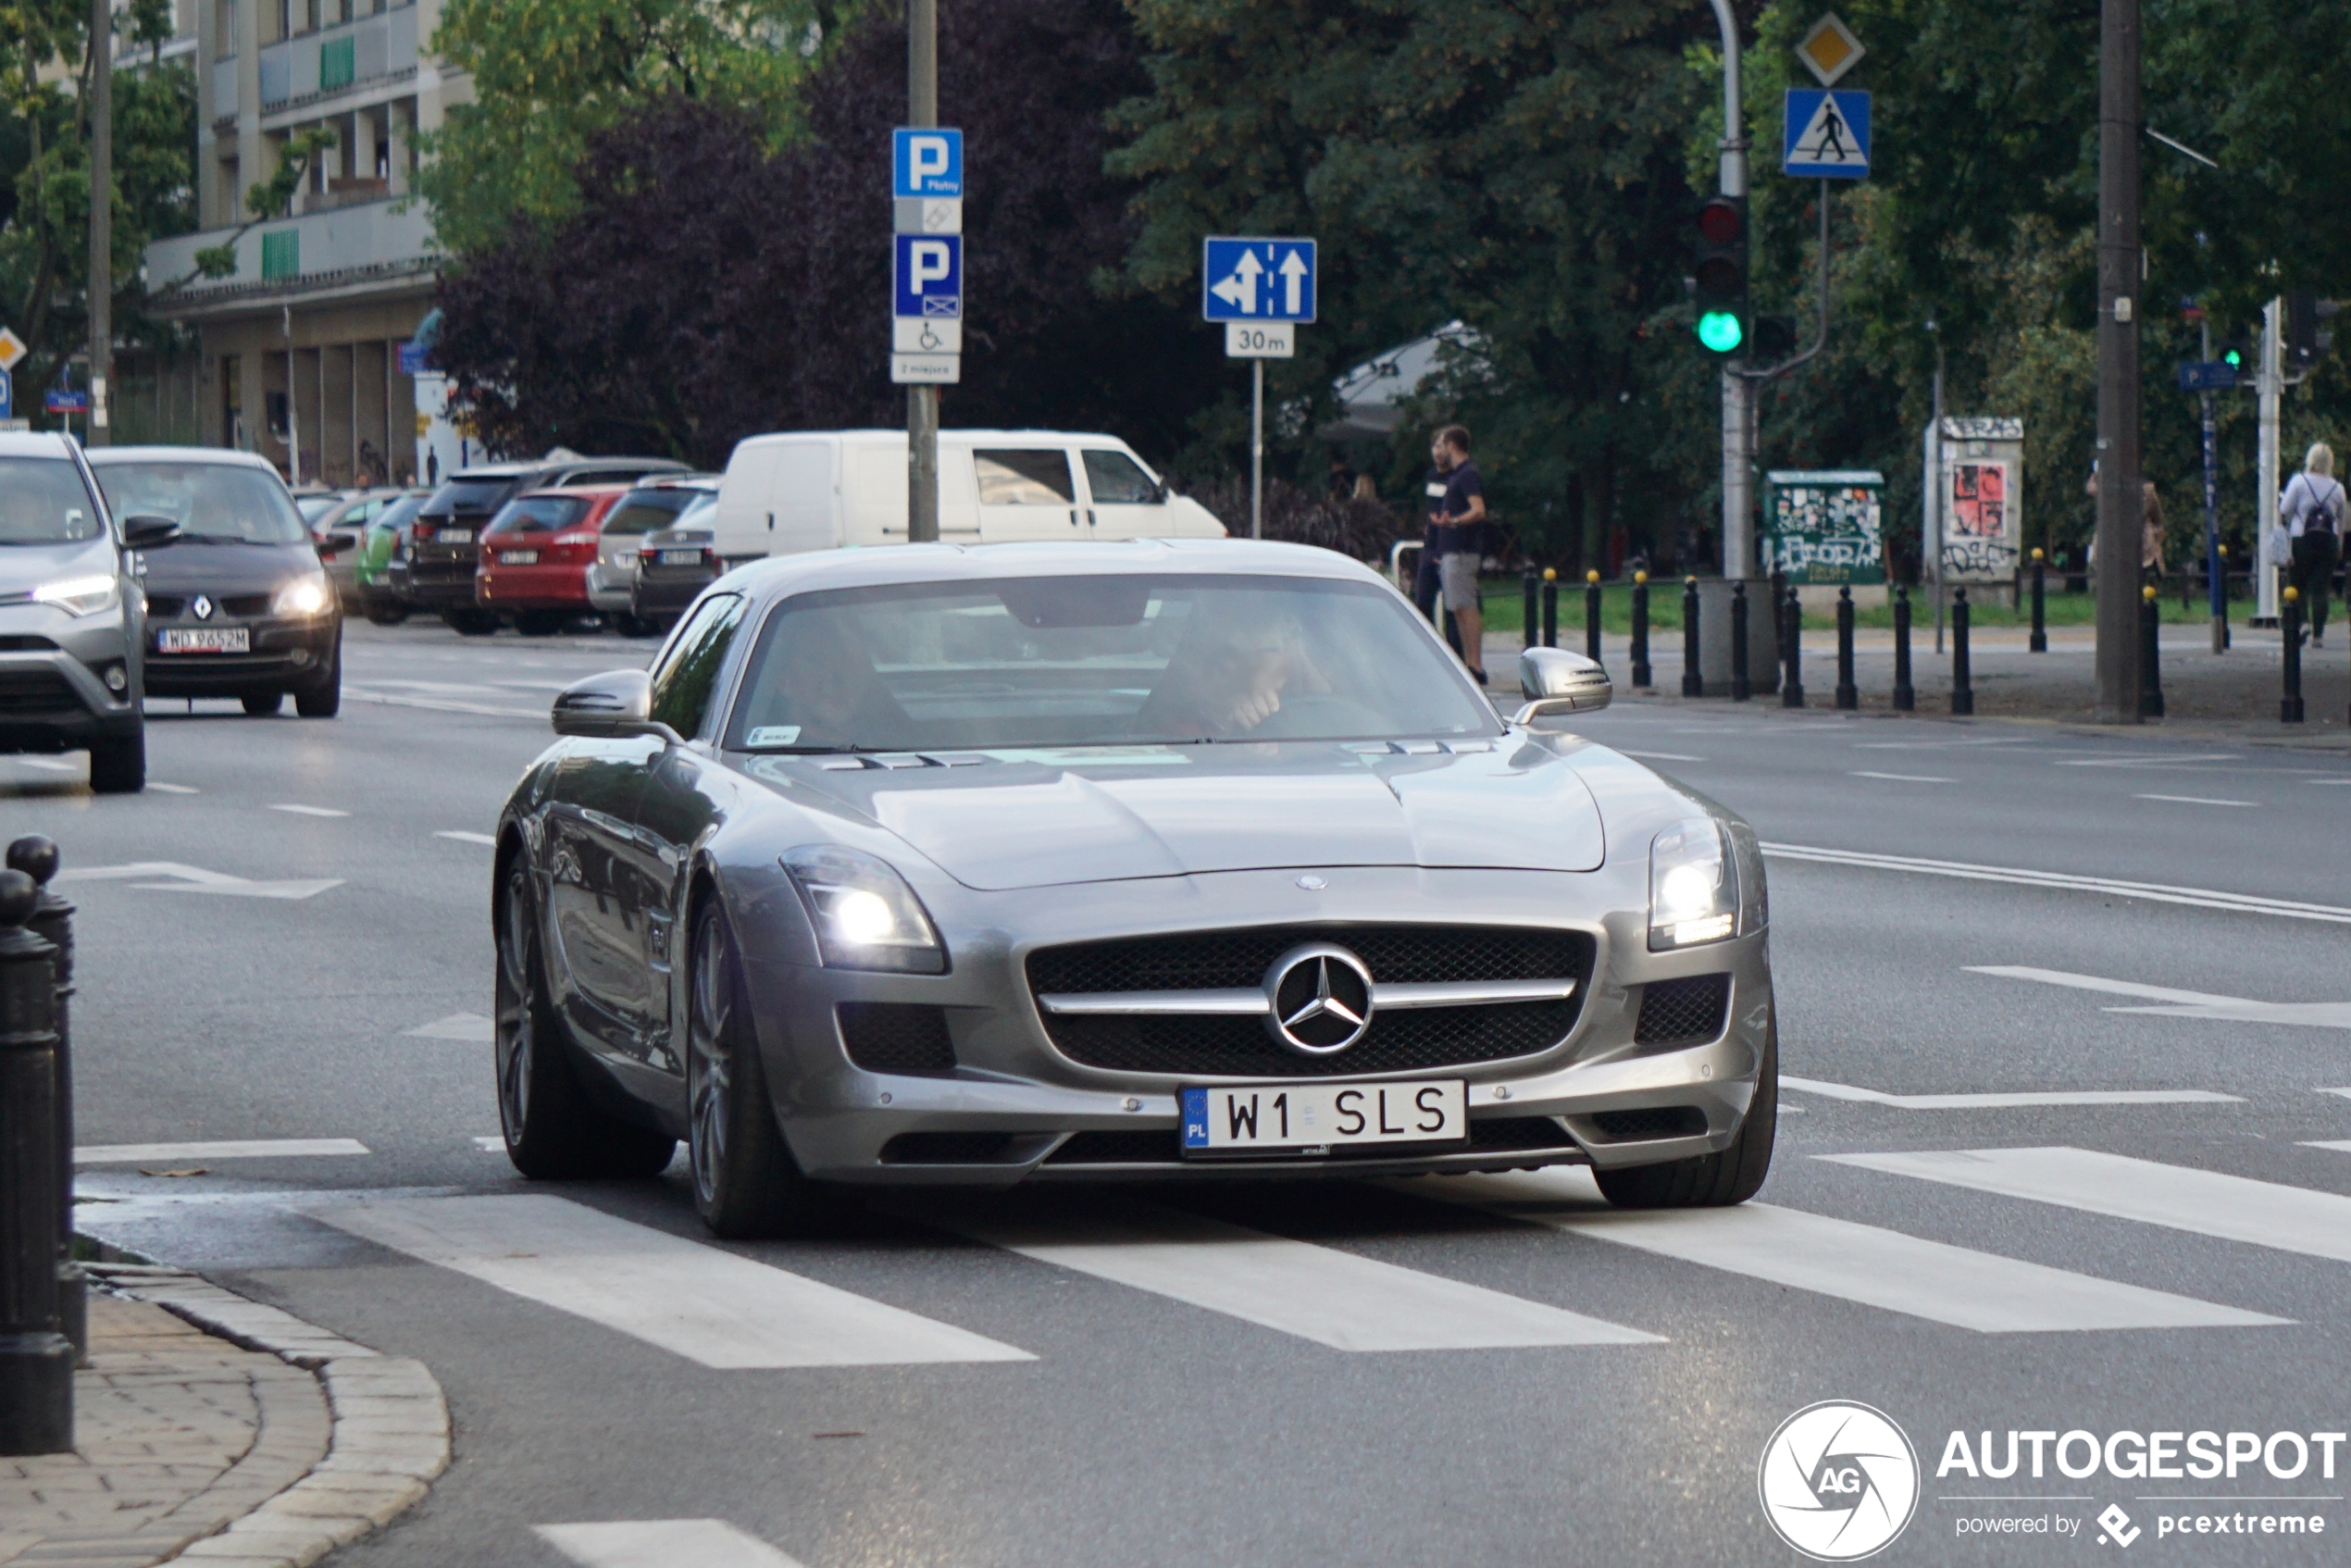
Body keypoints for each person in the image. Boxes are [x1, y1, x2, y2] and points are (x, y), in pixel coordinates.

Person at [1418, 425, 1488, 682]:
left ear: (1452, 446)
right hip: (1449, 549)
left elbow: (1479, 510)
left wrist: (1455, 522)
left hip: (1461, 550)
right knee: (1457, 607)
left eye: (1443, 444)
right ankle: (1468, 663)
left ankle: (1475, 663)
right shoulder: (1455, 475)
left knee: (1465, 606)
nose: (1439, 450)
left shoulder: (1467, 474)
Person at [2282, 442, 2345, 646]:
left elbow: (2285, 509)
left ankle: (2303, 623)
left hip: (2302, 539)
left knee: (2296, 583)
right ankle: (2318, 635)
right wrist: (2339, 547)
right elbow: (2340, 521)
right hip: (2329, 542)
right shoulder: (2338, 488)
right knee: (2320, 588)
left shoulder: (2299, 481)